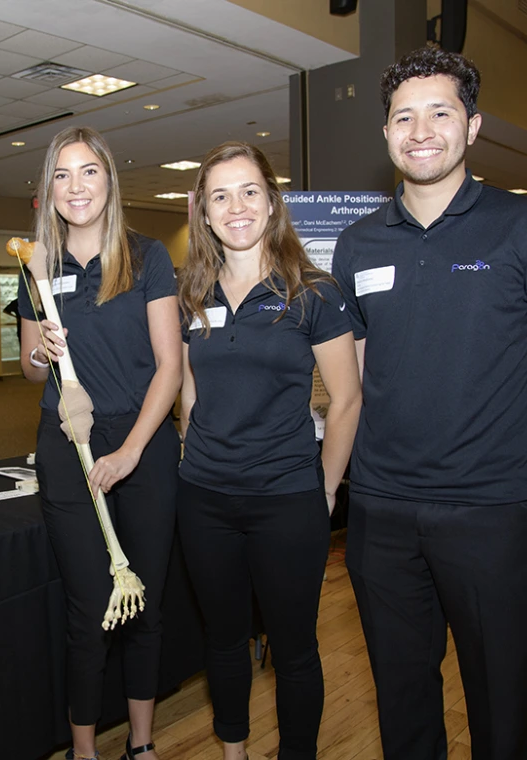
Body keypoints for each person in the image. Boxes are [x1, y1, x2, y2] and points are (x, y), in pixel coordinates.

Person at [331, 46, 527, 760]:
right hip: (382, 514)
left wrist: (497, 446)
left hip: (495, 514)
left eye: (440, 113)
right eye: (403, 117)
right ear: (386, 133)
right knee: (403, 699)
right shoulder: (356, 246)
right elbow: (357, 378)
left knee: (501, 703)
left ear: (473, 127)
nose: (421, 131)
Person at [176, 142, 361, 760]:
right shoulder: (191, 293)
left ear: (272, 202)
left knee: (294, 649)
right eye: (220, 195)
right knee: (224, 643)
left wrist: (326, 490)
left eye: (249, 191)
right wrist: (188, 452)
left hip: (287, 500)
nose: (236, 206)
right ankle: (234, 752)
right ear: (203, 212)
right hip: (204, 499)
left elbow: (347, 399)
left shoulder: (311, 292)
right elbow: (189, 392)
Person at [18, 126, 182, 760]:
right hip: (68, 441)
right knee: (88, 608)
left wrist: (134, 450)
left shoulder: (147, 257)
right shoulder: (37, 264)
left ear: (110, 180)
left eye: (89, 172)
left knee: (144, 601)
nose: (76, 186)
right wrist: (39, 351)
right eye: (62, 175)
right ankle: (83, 750)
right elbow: (33, 368)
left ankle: (140, 745)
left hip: (140, 441)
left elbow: (170, 366)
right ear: (48, 188)